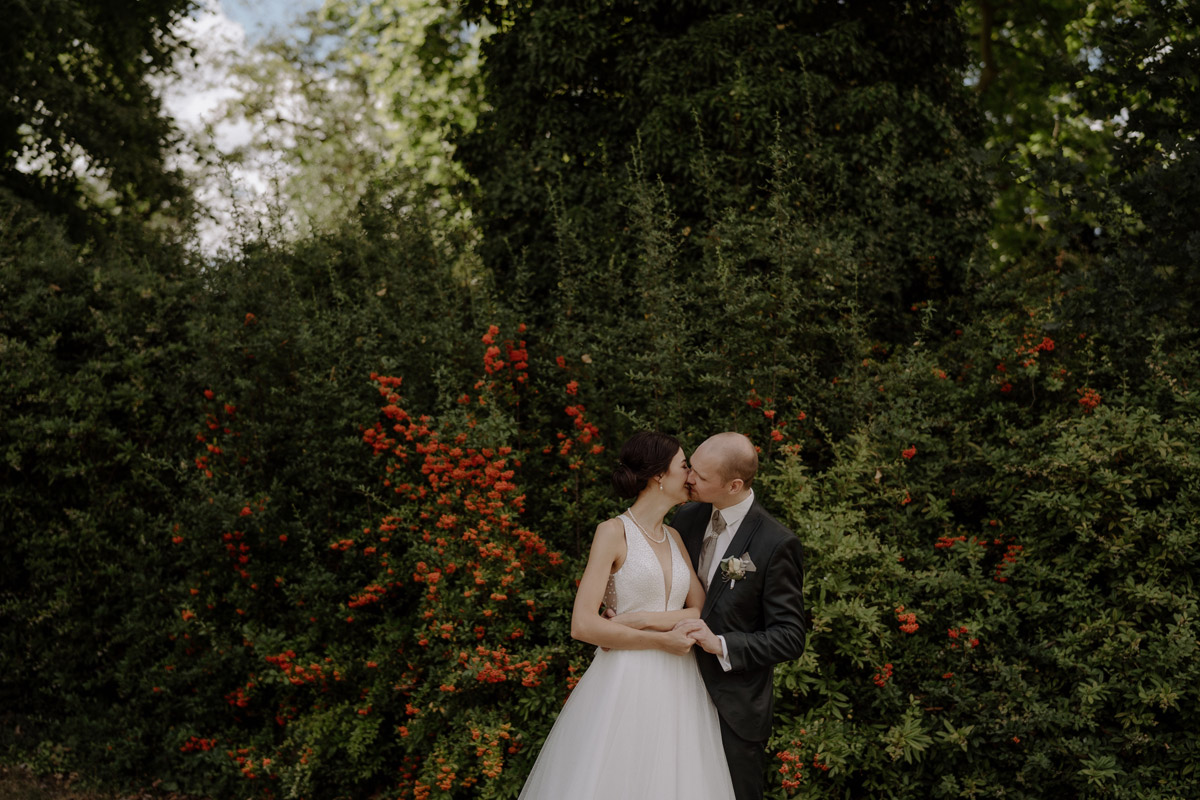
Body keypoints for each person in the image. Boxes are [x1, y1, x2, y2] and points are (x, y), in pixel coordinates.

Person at [517, 431, 735, 800]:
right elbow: (583, 625)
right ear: (659, 476)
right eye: (684, 466)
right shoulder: (612, 533)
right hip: (625, 679)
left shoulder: (675, 536)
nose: (690, 475)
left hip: (681, 681)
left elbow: (698, 610)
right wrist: (660, 639)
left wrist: (638, 619)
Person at [671, 432, 807, 800]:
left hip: (733, 707)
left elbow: (791, 636)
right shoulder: (686, 517)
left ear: (733, 484)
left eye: (699, 475)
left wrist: (721, 644)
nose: (688, 479)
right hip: (673, 687)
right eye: (690, 468)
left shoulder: (776, 544)